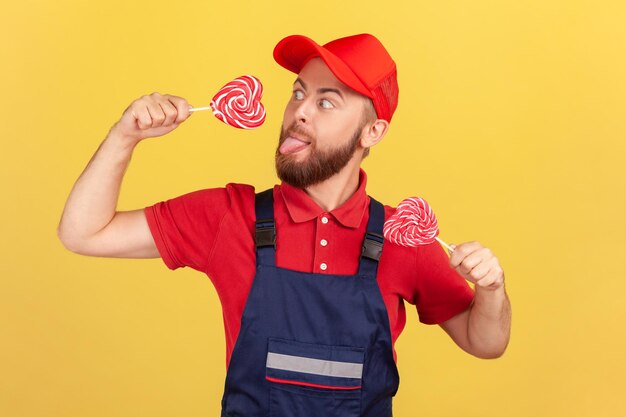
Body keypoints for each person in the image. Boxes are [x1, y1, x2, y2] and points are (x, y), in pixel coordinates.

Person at [58, 33, 511, 417]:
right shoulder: (228, 216)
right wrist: (125, 136)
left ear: (372, 133)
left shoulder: (401, 237)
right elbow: (83, 233)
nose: (300, 113)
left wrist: (492, 289)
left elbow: (485, 342)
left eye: (326, 102)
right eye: (298, 93)